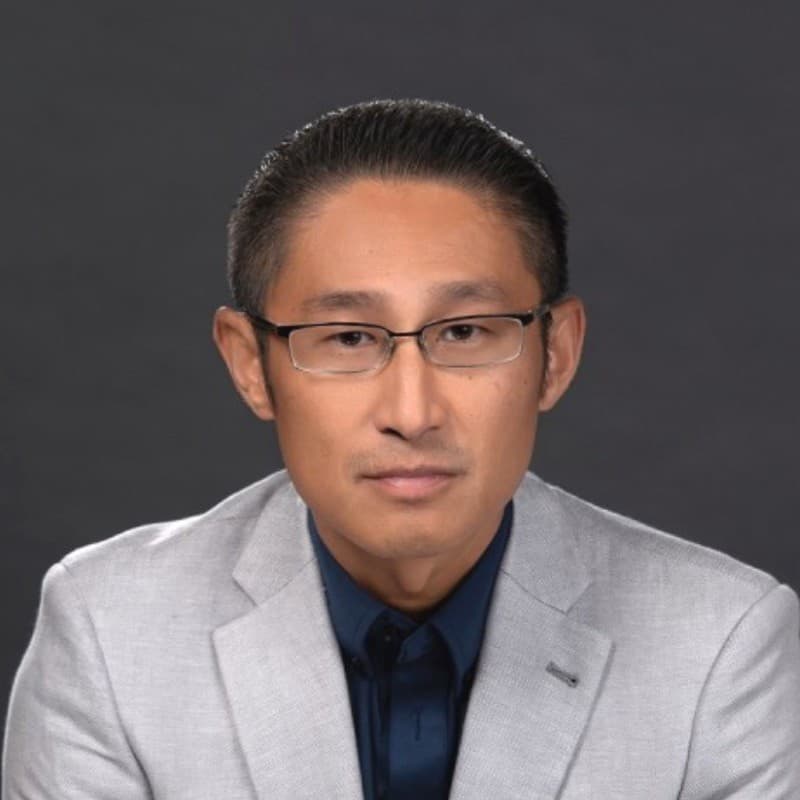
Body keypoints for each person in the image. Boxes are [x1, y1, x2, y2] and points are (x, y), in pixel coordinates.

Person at [3, 99, 799, 800]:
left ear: (556, 354)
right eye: (348, 337)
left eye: (466, 332)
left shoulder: (720, 644)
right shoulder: (113, 632)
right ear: (251, 366)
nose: (412, 414)